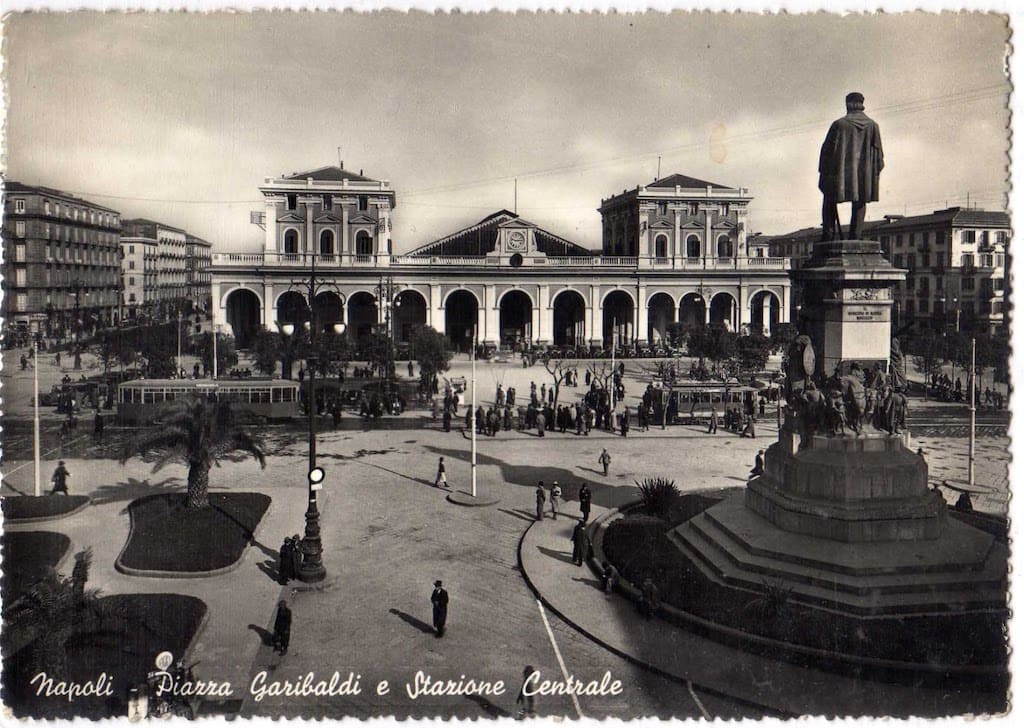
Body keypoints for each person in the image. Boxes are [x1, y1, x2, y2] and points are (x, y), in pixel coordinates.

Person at [818, 92, 884, 241]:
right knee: (860, 199)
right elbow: (879, 157)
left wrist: (824, 173)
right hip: (863, 176)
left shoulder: (839, 124)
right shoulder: (873, 126)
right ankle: (856, 236)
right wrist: (871, 175)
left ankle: (828, 235)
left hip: (839, 175)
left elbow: (826, 152)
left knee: (829, 199)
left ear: (848, 104)